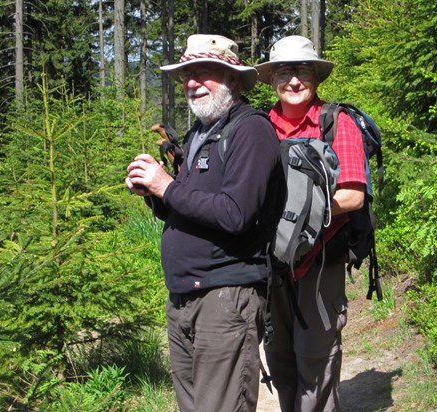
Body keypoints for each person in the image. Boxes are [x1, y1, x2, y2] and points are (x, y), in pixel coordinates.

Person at [126, 34, 284, 412]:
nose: (192, 83)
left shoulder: (251, 130)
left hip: (225, 296)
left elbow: (235, 213)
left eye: (203, 73)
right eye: (186, 75)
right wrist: (153, 193)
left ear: (231, 77)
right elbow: (189, 206)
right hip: (184, 297)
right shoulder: (201, 132)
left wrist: (166, 187)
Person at [255, 35, 368, 411]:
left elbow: (352, 196)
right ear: (271, 78)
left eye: (302, 70)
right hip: (272, 268)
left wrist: (295, 217)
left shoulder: (336, 123)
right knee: (280, 358)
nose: (293, 80)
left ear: (316, 76)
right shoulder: (259, 128)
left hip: (320, 263)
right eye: (284, 71)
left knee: (316, 359)